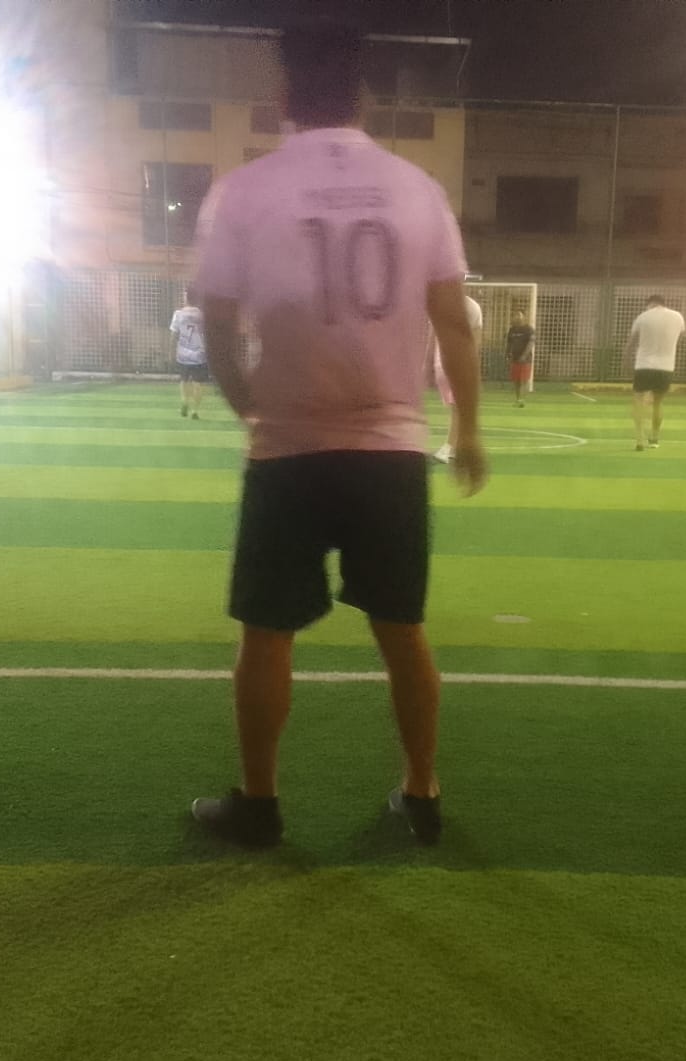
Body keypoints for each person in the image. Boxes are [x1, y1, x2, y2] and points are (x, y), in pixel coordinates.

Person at [187, 23, 487, 850]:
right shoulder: (416, 189)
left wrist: (248, 405)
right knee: (402, 630)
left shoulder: (245, 191)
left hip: (287, 447)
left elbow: (215, 322)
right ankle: (421, 794)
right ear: (364, 99)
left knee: (266, 634)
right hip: (390, 449)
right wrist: (466, 429)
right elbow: (454, 322)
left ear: (284, 95)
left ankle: (259, 806)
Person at [624, 295, 686, 450]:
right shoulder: (677, 317)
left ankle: (639, 440)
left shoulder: (642, 317)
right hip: (666, 366)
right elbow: (681, 337)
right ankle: (655, 438)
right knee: (658, 403)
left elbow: (631, 342)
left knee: (638, 401)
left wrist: (626, 360)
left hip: (643, 365)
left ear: (649, 304)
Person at [432, 293, 482, 464]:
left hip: (454, 363)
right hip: (443, 364)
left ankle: (448, 448)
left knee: (457, 407)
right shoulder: (442, 304)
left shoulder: (470, 307)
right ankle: (455, 449)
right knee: (456, 407)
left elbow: (475, 339)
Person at [169, 290, 210, 418]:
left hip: (183, 354)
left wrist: (171, 352)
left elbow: (174, 335)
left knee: (184, 379)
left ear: (185, 298)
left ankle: (184, 401)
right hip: (199, 354)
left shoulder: (178, 314)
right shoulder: (202, 315)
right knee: (198, 382)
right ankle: (195, 411)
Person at [505, 310, 535, 407]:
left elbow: (530, 343)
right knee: (516, 380)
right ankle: (518, 399)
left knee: (524, 380)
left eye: (519, 315)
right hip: (515, 358)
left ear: (524, 317)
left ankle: (522, 399)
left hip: (525, 360)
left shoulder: (529, 329)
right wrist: (507, 354)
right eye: (515, 315)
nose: (517, 317)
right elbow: (509, 343)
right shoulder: (512, 329)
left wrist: (524, 355)